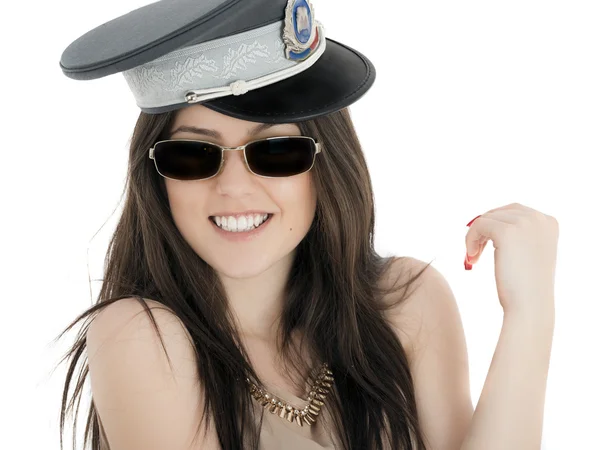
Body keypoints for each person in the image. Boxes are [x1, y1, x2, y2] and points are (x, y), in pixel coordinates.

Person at [54, 1, 558, 449]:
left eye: (275, 151)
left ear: (325, 165)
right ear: (156, 177)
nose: (233, 187)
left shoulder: (409, 304)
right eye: (193, 154)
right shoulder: (140, 337)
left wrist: (530, 312)